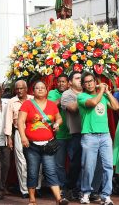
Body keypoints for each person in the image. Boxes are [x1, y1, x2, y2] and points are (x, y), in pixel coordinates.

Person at [17, 81, 65, 205]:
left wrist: (57, 123)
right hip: (31, 145)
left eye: (42, 88)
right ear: (33, 91)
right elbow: (20, 121)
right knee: (33, 171)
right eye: (37, 88)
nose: (40, 90)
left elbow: (59, 118)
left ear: (46, 90)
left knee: (51, 171)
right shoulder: (27, 104)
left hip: (48, 145)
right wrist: (23, 137)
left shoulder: (52, 105)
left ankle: (58, 199)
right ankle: (32, 200)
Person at [78, 72, 119, 205]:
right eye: (86, 82)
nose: (89, 84)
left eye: (91, 81)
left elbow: (116, 106)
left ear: (95, 82)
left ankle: (106, 195)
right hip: (89, 136)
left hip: (105, 136)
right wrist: (101, 90)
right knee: (88, 167)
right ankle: (85, 193)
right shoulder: (81, 96)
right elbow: (93, 103)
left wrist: (107, 92)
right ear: (83, 85)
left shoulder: (103, 95)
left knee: (108, 166)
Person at [5, 80, 37, 199]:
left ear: (26, 88)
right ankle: (24, 190)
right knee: (21, 162)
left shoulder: (33, 99)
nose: (19, 91)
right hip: (19, 132)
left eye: (21, 88)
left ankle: (36, 188)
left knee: (36, 161)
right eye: (17, 88)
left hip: (34, 132)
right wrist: (9, 138)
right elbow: (8, 120)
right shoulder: (12, 101)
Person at [47, 74, 71, 203]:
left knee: (75, 162)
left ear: (68, 83)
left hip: (73, 133)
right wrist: (66, 96)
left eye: (64, 82)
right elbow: (52, 106)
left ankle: (72, 186)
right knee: (59, 164)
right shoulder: (52, 93)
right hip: (59, 135)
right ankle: (62, 187)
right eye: (59, 82)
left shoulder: (73, 92)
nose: (61, 84)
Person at [60, 71, 83, 199]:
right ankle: (70, 188)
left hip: (91, 132)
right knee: (76, 164)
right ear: (70, 82)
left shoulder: (88, 93)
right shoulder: (67, 94)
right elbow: (73, 108)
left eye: (82, 78)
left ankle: (84, 190)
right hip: (77, 133)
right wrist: (85, 96)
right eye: (77, 78)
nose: (80, 80)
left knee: (90, 164)